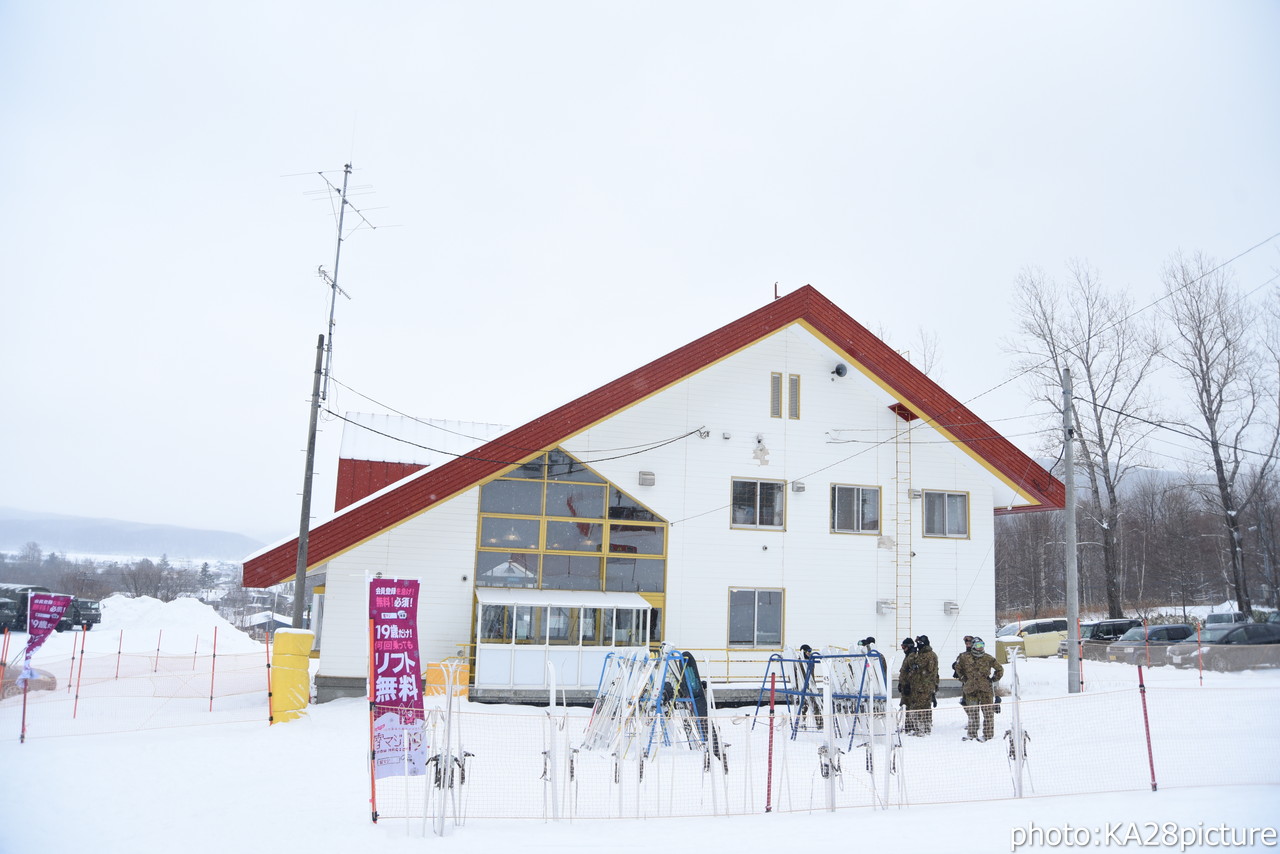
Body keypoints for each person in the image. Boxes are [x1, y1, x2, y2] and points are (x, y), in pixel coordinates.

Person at [953, 636, 1003, 741]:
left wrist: (993, 679)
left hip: (985, 689)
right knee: (972, 713)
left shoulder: (988, 658)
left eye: (982, 645)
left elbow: (999, 669)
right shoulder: (964, 657)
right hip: (970, 689)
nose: (980, 648)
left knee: (988, 713)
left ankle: (988, 735)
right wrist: (963, 679)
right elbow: (958, 668)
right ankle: (971, 734)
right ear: (973, 646)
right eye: (978, 646)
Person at [911, 634, 939, 735]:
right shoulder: (925, 654)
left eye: (918, 643)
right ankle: (926, 728)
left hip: (923, 686)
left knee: (920, 707)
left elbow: (929, 670)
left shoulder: (928, 655)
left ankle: (921, 729)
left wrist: (915, 663)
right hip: (924, 685)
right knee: (926, 707)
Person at [897, 637, 920, 734]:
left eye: (904, 647)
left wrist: (907, 684)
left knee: (910, 707)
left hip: (910, 688)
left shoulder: (912, 656)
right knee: (905, 706)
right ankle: (908, 727)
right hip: (905, 686)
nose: (903, 649)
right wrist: (901, 683)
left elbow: (913, 672)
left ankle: (911, 727)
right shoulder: (908, 656)